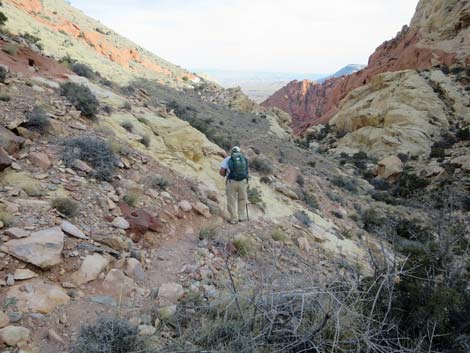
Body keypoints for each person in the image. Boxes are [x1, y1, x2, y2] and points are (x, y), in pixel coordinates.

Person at [219, 146, 249, 224]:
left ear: (232, 152)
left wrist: (226, 174)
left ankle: (233, 218)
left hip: (231, 182)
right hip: (242, 182)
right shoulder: (244, 159)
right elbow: (246, 171)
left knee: (231, 200)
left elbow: (221, 171)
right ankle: (241, 216)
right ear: (239, 152)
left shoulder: (228, 159)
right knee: (242, 199)